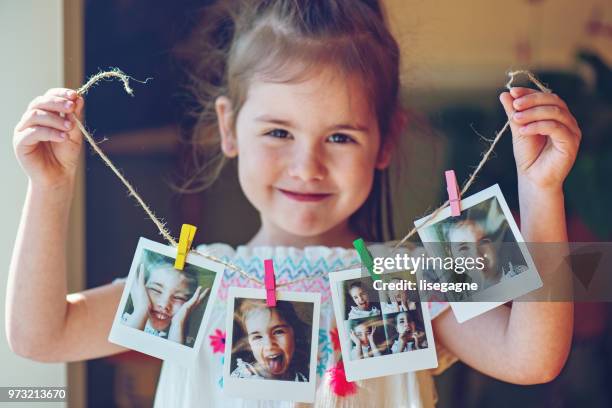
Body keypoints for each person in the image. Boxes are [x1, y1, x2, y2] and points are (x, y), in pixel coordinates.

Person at [7, 0, 580, 406]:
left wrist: (541, 189)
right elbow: (41, 335)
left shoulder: (413, 277)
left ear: (385, 139)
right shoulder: (190, 283)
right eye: (279, 133)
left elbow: (532, 358)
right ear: (229, 129)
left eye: (340, 136)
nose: (308, 166)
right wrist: (50, 191)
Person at [121, 251, 209, 346]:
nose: (164, 304)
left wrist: (177, 324)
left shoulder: (189, 341)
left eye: (178, 297)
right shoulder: (123, 323)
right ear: (139, 288)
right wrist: (141, 310)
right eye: (156, 290)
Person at [230, 299, 310, 381]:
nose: (269, 345)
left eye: (278, 332)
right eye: (257, 337)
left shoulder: (303, 378)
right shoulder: (242, 378)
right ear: (249, 344)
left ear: (294, 333)